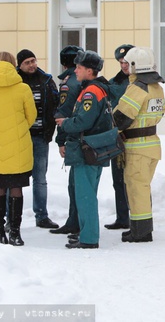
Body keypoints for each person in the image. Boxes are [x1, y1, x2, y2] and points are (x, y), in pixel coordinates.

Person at [56, 50, 114, 249]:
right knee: (85, 193)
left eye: (79, 67)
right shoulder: (96, 89)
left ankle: (89, 238)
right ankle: (85, 232)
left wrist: (65, 124)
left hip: (87, 150)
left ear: (90, 71)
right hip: (93, 148)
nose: (76, 70)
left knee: (85, 196)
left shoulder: (91, 92)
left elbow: (83, 121)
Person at [113, 47, 165, 243]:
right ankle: (141, 228)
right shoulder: (157, 87)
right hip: (152, 146)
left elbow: (122, 117)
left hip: (137, 147)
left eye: (128, 63)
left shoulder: (138, 88)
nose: (125, 66)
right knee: (143, 188)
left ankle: (141, 232)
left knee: (137, 189)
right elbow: (160, 113)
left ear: (135, 65)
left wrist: (112, 126)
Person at [0, 51, 36, 246]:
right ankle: (15, 231)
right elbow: (31, 116)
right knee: (16, 188)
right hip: (18, 146)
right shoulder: (23, 88)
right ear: (14, 64)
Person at [16, 49, 60, 229]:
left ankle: (41, 215)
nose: (32, 65)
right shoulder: (15, 82)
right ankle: (11, 215)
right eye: (27, 62)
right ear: (20, 65)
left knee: (40, 178)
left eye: (33, 61)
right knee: (14, 178)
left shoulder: (46, 80)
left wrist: (50, 130)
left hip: (41, 136)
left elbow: (55, 105)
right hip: (19, 138)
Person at [49, 45, 84, 236]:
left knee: (75, 184)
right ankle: (76, 221)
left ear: (63, 63)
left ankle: (75, 222)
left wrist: (61, 141)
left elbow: (62, 113)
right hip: (81, 134)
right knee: (78, 183)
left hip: (74, 136)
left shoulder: (68, 84)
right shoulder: (80, 81)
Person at [104, 43, 134, 230]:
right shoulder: (113, 83)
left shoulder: (141, 82)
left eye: (127, 62)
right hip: (117, 137)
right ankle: (122, 217)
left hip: (135, 137)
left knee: (135, 180)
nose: (124, 65)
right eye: (121, 62)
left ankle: (138, 218)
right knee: (118, 179)